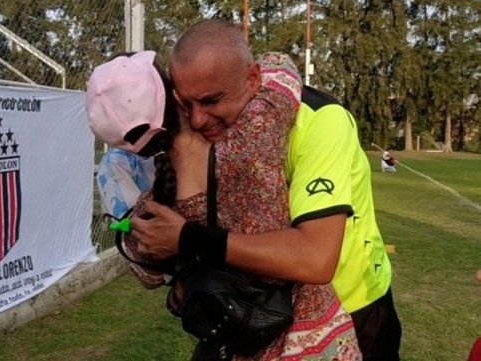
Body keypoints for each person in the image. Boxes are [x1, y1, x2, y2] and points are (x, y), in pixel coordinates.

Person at [129, 19, 401, 361]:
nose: (198, 120)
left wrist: (188, 238)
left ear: (254, 79)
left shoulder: (320, 120)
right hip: (261, 314)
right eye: (187, 104)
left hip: (355, 304)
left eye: (212, 101)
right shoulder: (211, 127)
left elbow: (315, 258)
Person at [86, 51, 361, 360]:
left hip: (237, 344)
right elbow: (280, 64)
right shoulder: (254, 133)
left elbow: (147, 272)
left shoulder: (153, 206)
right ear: (176, 97)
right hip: (313, 339)